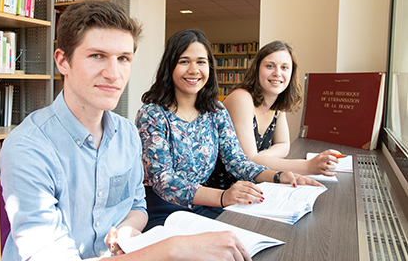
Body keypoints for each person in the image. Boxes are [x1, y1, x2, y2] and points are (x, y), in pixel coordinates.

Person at [0, 1, 252, 260]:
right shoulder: (27, 147)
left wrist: (126, 229)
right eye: (97, 56)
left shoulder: (127, 133)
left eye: (123, 59)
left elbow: (137, 205)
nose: (113, 73)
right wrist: (173, 249)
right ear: (63, 61)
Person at [135, 29, 322, 230]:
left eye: (201, 62)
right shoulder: (152, 114)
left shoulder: (216, 110)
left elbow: (237, 161)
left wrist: (278, 175)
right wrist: (223, 197)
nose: (194, 69)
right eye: (184, 61)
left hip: (203, 204)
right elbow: (164, 181)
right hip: (164, 208)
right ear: (169, 66)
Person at [205, 40, 340, 190]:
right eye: (270, 66)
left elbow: (283, 145)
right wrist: (308, 166)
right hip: (222, 192)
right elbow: (250, 159)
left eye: (284, 67)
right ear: (257, 69)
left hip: (253, 186)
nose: (277, 73)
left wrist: (260, 157)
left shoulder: (277, 104)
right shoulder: (241, 98)